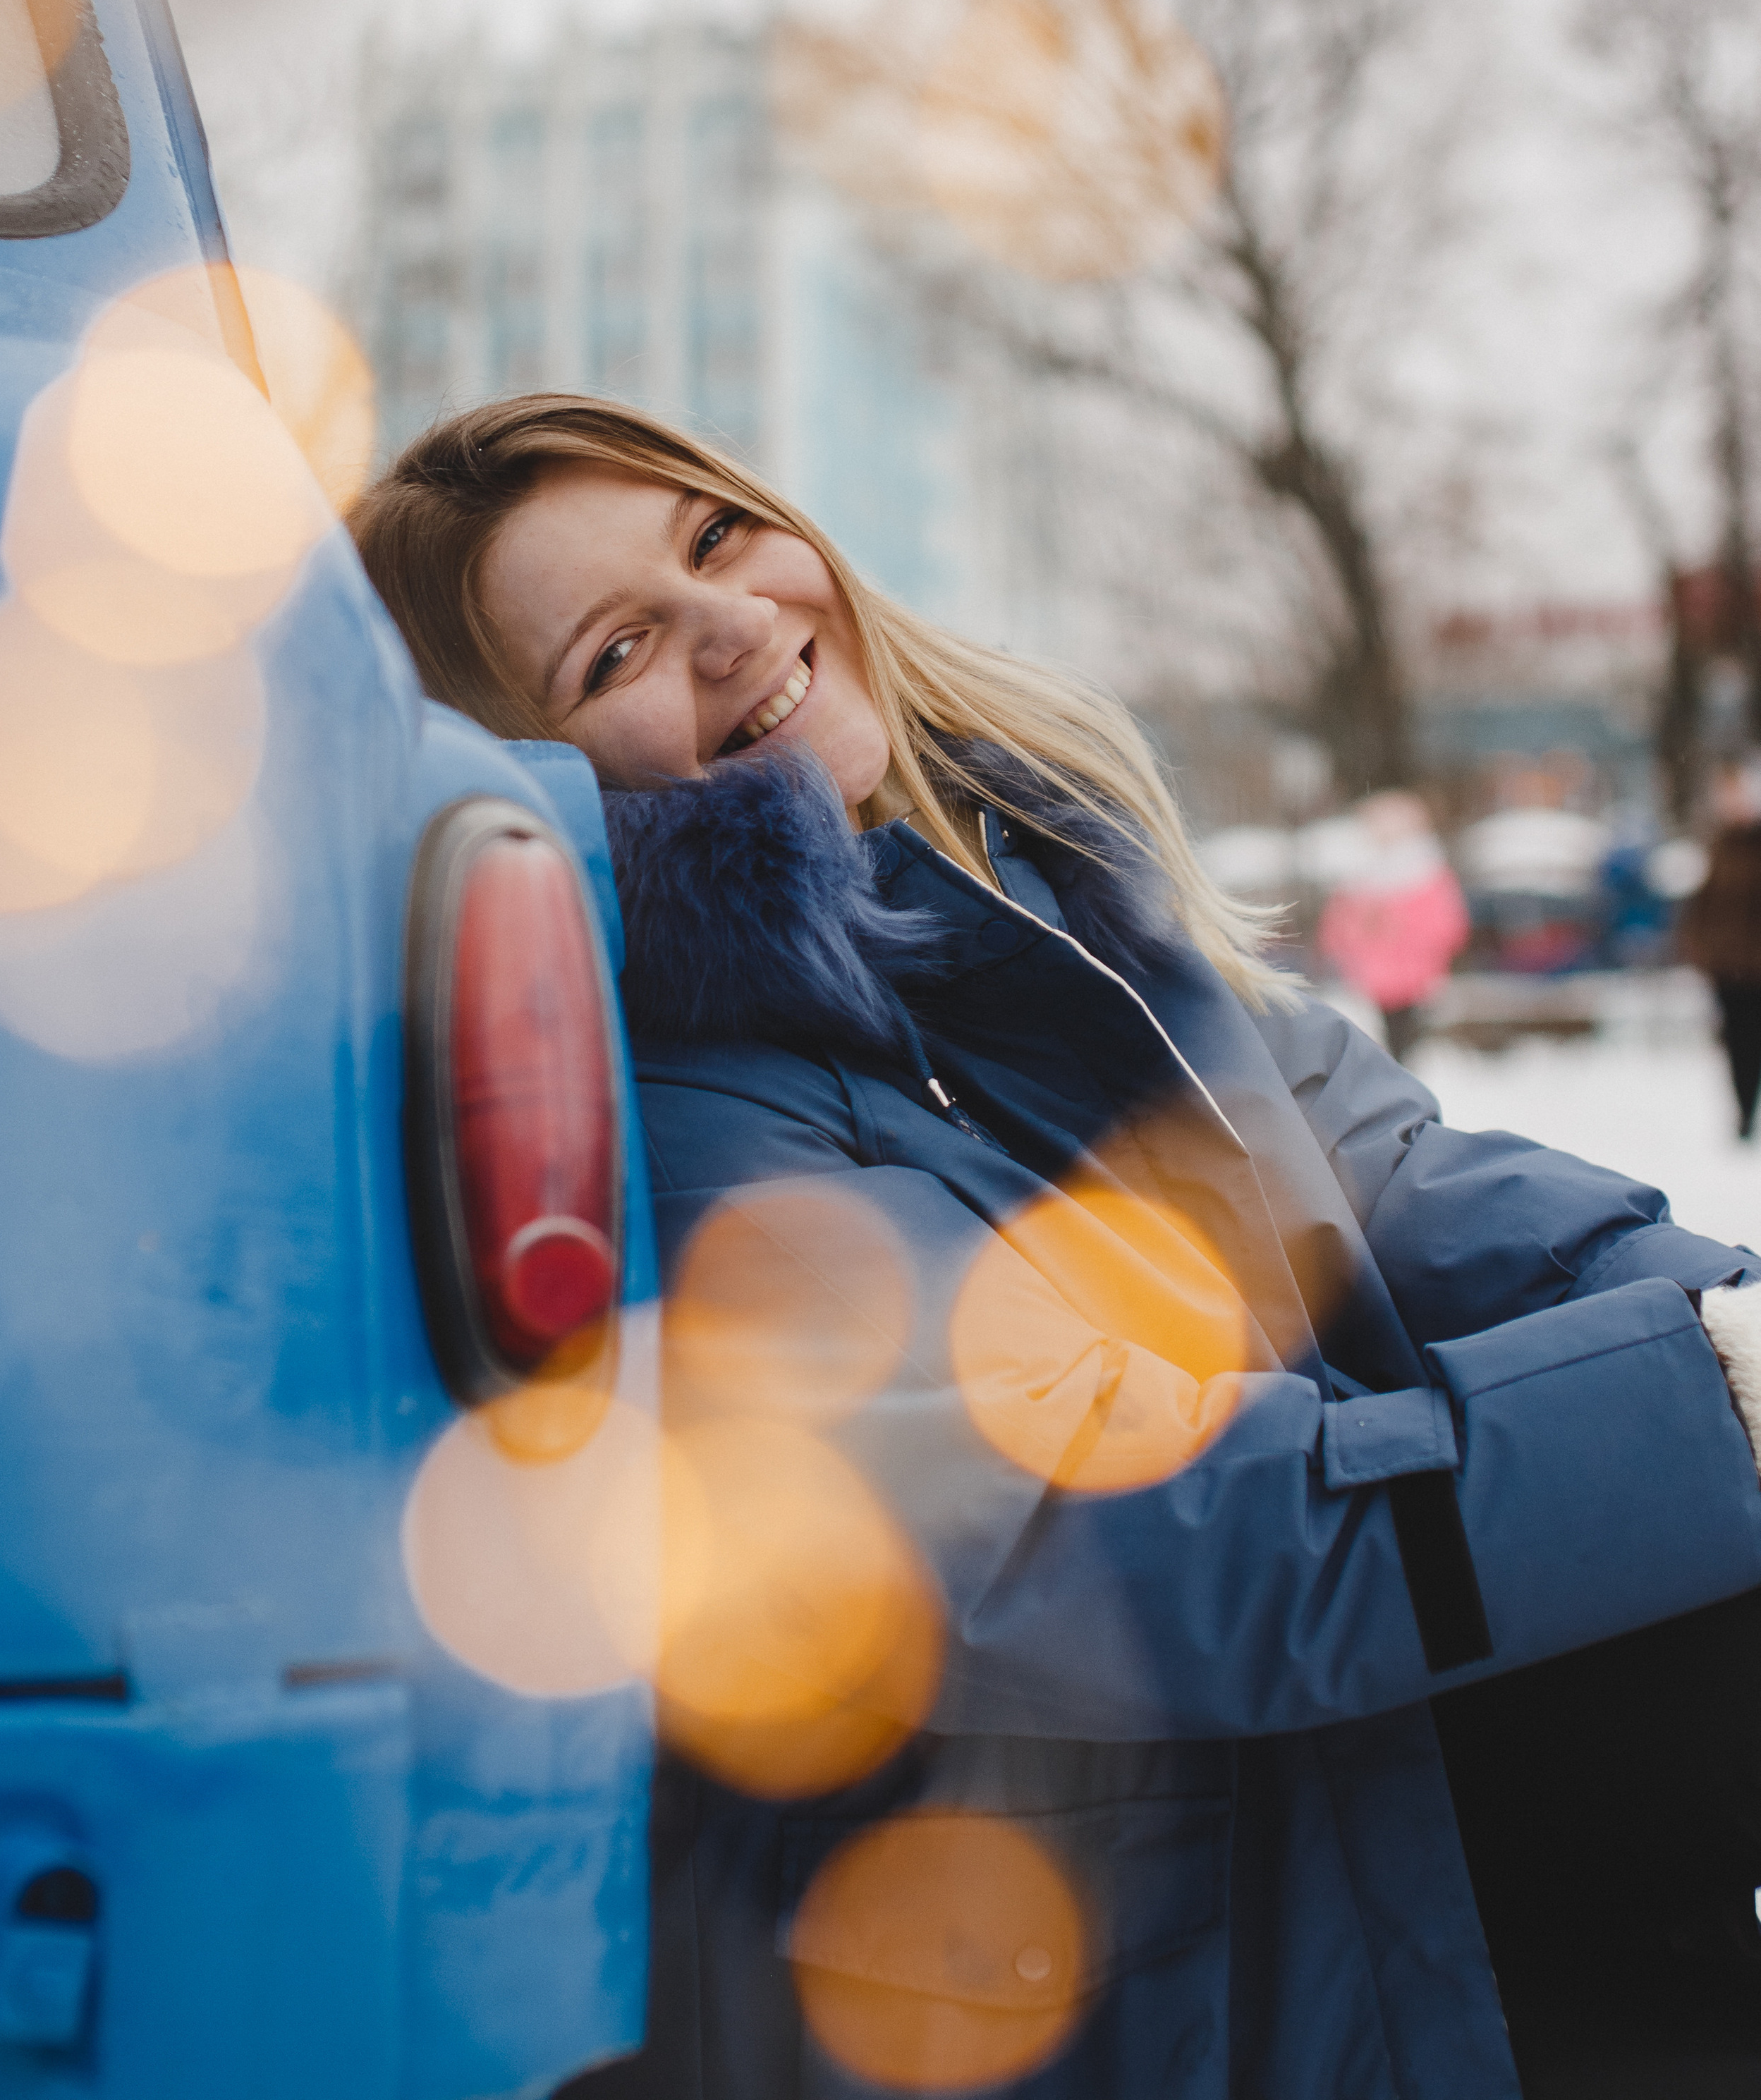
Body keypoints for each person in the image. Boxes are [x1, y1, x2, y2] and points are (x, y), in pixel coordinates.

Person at [354, 395, 1761, 2100]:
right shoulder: (680, 1120)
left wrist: (1718, 1321)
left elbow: (1428, 1198)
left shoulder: (1054, 920)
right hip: (1108, 1984)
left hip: (1373, 1853)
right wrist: (1706, 1399)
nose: (733, 626)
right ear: (527, 769)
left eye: (714, 536)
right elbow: (1152, 1539)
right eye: (617, 647)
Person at [1313, 789, 1470, 1061]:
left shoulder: (1425, 872)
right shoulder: (1359, 874)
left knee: (1405, 1036)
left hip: (1414, 975)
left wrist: (1401, 931)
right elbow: (1339, 925)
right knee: (1379, 1035)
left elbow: (1447, 925)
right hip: (1368, 977)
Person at [1680, 763, 1761, 1142]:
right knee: (1738, 1041)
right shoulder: (1722, 844)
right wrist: (1698, 944)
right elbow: (1705, 901)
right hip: (1729, 967)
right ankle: (1744, 1112)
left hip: (1754, 964)